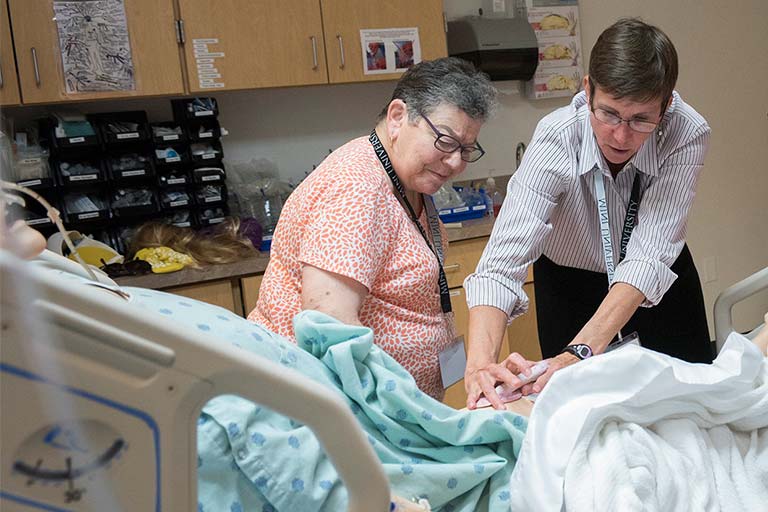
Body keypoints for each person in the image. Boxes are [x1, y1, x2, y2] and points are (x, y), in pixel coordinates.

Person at [463, 18, 714, 410]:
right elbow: (500, 265)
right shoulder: (557, 137)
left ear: (666, 107)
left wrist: (580, 352)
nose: (620, 135)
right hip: (570, 288)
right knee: (581, 417)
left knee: (689, 411)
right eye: (609, 113)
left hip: (657, 290)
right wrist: (479, 363)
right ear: (587, 90)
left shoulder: (687, 131)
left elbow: (649, 256)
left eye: (640, 119)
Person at [249, 57, 497, 400]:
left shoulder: (408, 178)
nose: (455, 162)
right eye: (445, 142)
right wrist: (389, 410)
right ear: (398, 117)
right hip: (338, 405)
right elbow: (329, 321)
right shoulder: (356, 186)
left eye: (466, 150)